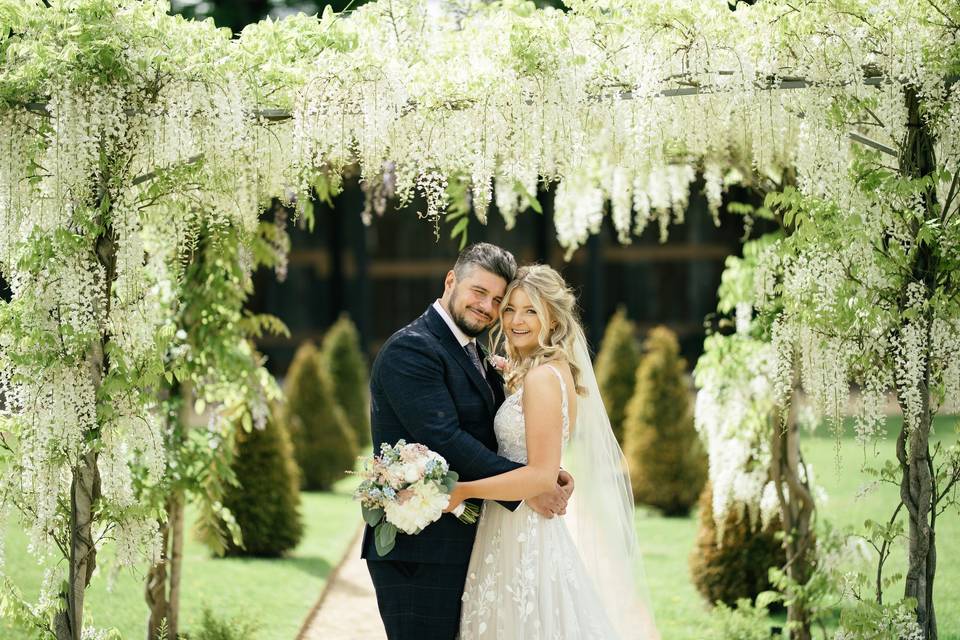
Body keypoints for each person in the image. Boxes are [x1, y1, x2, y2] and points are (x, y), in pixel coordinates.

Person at [362, 243, 575, 640]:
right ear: (450, 281)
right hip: (421, 551)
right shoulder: (413, 348)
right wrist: (528, 486)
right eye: (480, 292)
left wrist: (544, 474)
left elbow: (497, 438)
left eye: (499, 300)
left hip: (470, 545)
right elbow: (446, 439)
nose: (489, 308)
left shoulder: (474, 352)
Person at [447, 264, 658, 640]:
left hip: (521, 532)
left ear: (553, 316)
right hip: (516, 524)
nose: (515, 320)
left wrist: (463, 491)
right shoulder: (548, 370)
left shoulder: (543, 378)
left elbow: (542, 477)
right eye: (510, 309)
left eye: (531, 310)